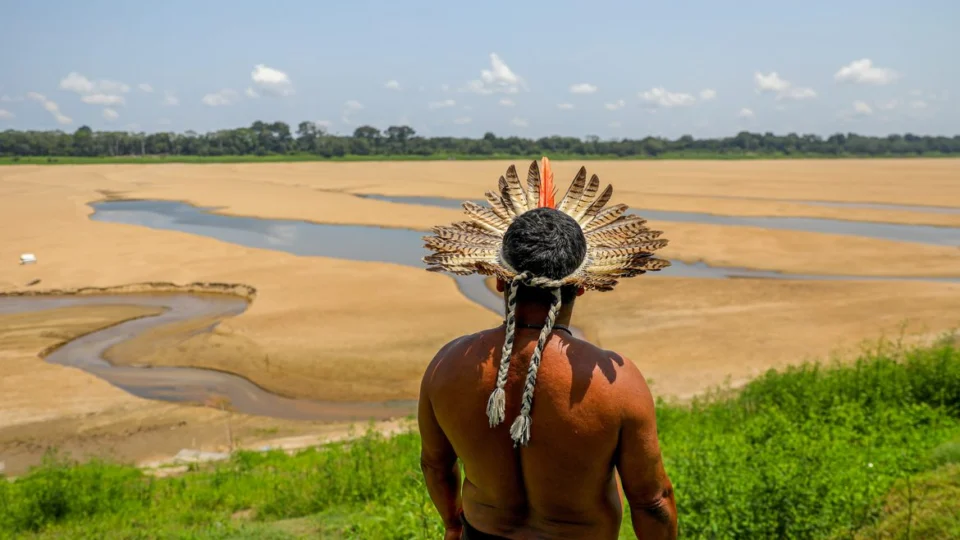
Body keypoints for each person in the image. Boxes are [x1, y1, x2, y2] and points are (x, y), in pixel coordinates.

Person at [418, 158, 677, 539]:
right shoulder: (618, 384)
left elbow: (435, 466)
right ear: (583, 284)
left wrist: (453, 525)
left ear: (500, 280)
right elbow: (652, 501)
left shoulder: (447, 365)